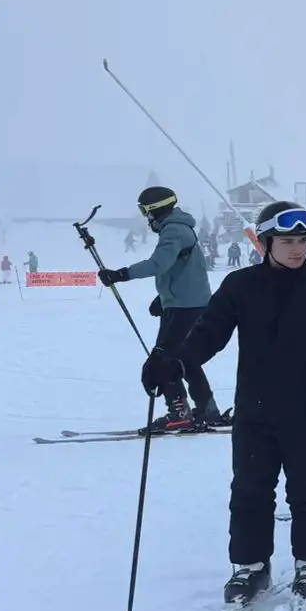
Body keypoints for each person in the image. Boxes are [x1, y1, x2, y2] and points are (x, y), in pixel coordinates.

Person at [141, 203, 306, 605]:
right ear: (266, 243)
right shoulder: (241, 285)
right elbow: (208, 334)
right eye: (287, 241)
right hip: (254, 408)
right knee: (250, 489)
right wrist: (174, 363)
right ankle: (251, 565)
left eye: (303, 241)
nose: (297, 249)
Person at [99, 185, 223, 432]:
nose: (146, 218)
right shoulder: (179, 228)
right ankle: (208, 411)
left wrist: (121, 274)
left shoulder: (174, 230)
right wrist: (164, 297)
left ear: (156, 209)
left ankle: (179, 413)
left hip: (185, 309)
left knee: (163, 360)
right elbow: (183, 269)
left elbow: (158, 263)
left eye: (146, 211)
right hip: (187, 304)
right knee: (186, 359)